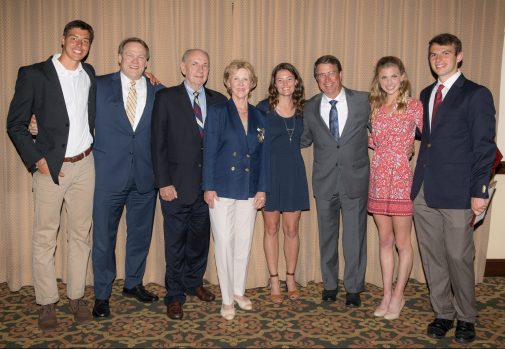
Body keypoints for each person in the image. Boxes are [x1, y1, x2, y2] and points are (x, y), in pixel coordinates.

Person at [6, 20, 96, 331]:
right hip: (50, 168)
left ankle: (76, 297)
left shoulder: (90, 75)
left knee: (81, 235)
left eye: (84, 40)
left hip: (85, 165)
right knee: (45, 237)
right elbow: (15, 124)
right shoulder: (34, 74)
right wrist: (37, 160)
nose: (79, 44)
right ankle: (46, 302)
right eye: (74, 38)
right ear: (62, 39)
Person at [411, 33, 496, 343]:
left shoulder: (476, 94)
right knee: (432, 256)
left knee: (459, 257)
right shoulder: (424, 93)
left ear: (459, 56)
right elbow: (424, 137)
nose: (439, 59)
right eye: (434, 54)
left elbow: (484, 147)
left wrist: (480, 191)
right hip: (424, 190)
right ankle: (443, 313)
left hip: (460, 192)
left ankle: (466, 317)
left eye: (445, 53)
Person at [91, 37, 164, 319]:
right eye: (130, 55)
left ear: (147, 62)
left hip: (145, 177)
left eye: (141, 56)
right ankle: (101, 295)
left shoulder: (160, 91)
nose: (135, 60)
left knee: (140, 234)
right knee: (103, 238)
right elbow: (70, 115)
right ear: (119, 56)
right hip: (107, 176)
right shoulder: (97, 85)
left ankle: (133, 283)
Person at [151, 49, 227, 320]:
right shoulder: (166, 98)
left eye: (205, 65)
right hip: (176, 186)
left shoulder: (219, 100)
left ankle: (194, 282)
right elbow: (157, 143)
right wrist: (163, 183)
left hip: (208, 189)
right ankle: (174, 295)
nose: (200, 69)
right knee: (175, 243)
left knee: (199, 241)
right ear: (183, 67)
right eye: (195, 64)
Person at [300, 55, 370, 307]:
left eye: (331, 73)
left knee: (354, 237)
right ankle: (330, 285)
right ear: (316, 79)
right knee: (327, 237)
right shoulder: (309, 107)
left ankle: (353, 288)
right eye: (321, 75)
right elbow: (303, 138)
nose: (327, 79)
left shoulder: (363, 101)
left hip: (355, 180)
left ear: (341, 73)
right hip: (325, 181)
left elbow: (382, 128)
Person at [203, 60, 269, 320]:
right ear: (228, 83)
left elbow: (264, 156)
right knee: (224, 242)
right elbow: (208, 151)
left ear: (252, 84)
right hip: (221, 188)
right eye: (236, 79)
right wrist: (207, 186)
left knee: (243, 241)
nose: (241, 84)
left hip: (250, 188)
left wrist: (262, 189)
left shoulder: (260, 115)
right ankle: (227, 298)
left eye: (245, 79)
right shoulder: (218, 112)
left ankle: (239, 290)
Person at [367, 56, 423, 320]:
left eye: (393, 76)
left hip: (401, 178)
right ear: (378, 80)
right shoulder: (375, 107)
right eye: (384, 77)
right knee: (385, 240)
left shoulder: (415, 107)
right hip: (378, 178)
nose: (389, 82)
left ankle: (399, 294)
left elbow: (434, 138)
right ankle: (386, 295)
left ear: (402, 76)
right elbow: (372, 140)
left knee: (402, 242)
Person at [256, 63, 309, 304]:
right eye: (280, 80)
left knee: (292, 230)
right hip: (270, 173)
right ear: (273, 83)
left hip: (294, 173)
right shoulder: (262, 109)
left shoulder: (304, 110)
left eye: (289, 79)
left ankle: (290, 277)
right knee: (271, 229)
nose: (285, 84)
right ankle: (274, 279)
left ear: (296, 82)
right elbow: (254, 144)